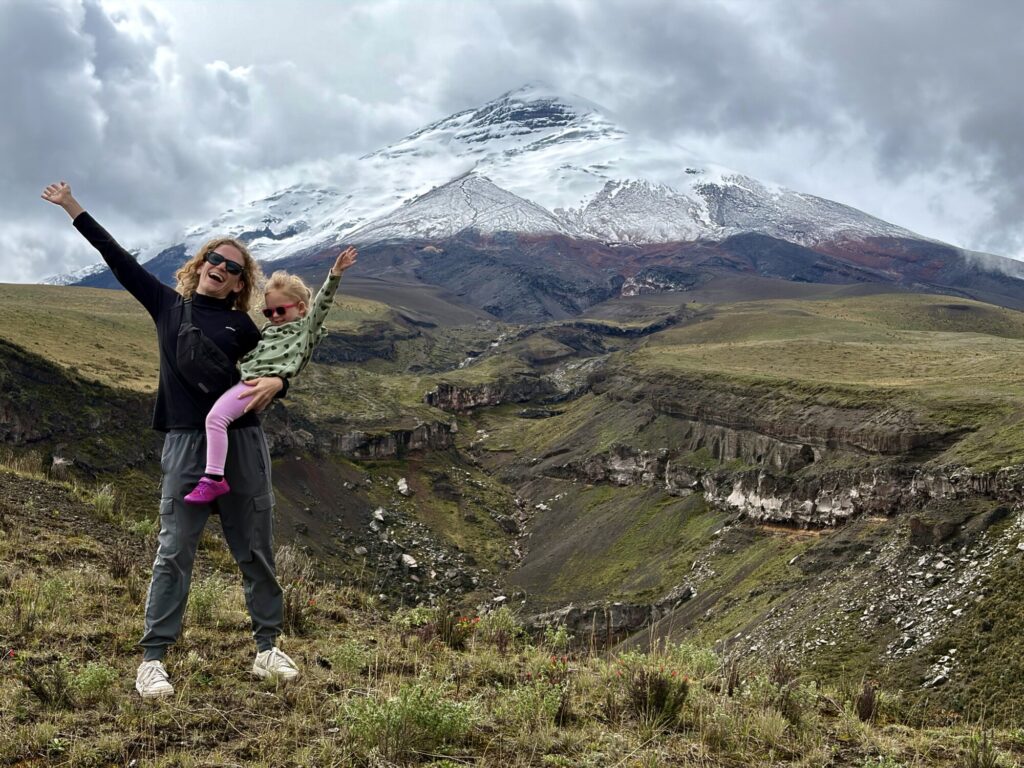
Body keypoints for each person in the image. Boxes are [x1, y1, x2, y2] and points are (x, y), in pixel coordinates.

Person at [42, 180, 297, 699]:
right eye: (215, 259)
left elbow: (288, 354)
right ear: (200, 262)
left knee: (255, 548)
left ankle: (267, 648)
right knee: (174, 549)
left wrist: (281, 382)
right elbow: (116, 259)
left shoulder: (246, 328)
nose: (220, 269)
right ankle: (153, 659)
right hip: (186, 444)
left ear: (237, 285)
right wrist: (73, 207)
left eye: (233, 269)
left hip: (244, 443)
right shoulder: (166, 305)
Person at [185, 249, 357, 505]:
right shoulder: (268, 331)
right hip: (243, 379)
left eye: (280, 311)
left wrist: (335, 273)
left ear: (300, 308)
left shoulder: (305, 328)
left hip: (250, 386)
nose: (274, 317)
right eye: (268, 312)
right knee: (212, 416)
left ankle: (213, 479)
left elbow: (322, 303)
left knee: (216, 419)